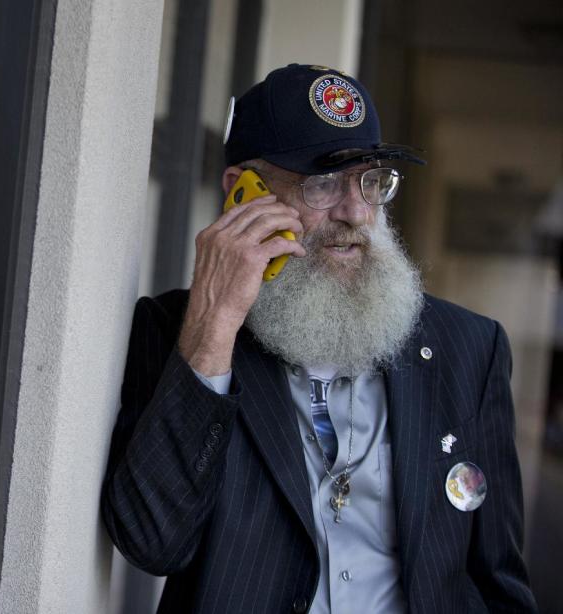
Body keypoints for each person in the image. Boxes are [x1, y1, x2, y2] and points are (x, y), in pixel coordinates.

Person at [101, 64, 537, 613]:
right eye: (323, 183)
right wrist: (214, 325)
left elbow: (498, 580)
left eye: (371, 180)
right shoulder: (178, 332)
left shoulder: (470, 349)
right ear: (244, 194)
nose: (356, 211)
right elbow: (150, 540)